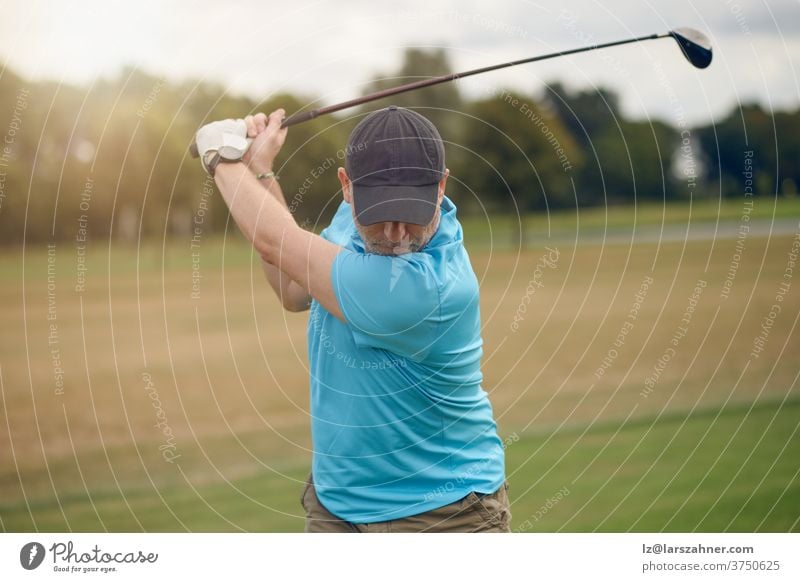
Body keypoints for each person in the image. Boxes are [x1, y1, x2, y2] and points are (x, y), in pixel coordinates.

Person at [195, 106, 510, 532]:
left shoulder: (432, 289)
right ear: (347, 188)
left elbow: (277, 243)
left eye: (411, 214)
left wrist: (220, 158)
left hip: (445, 514)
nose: (395, 234)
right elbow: (293, 288)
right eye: (379, 214)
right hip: (336, 509)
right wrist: (260, 171)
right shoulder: (350, 221)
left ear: (441, 187)